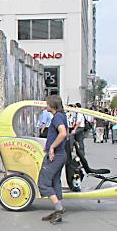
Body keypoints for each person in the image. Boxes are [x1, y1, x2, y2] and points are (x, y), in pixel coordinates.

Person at [38, 95, 69, 224]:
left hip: (56, 155)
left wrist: (52, 147)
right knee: (55, 181)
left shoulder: (57, 118)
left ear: (52, 105)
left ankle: (59, 209)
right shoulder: (62, 116)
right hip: (60, 154)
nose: (46, 105)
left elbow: (63, 133)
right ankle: (57, 211)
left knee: (43, 182)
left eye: (47, 104)